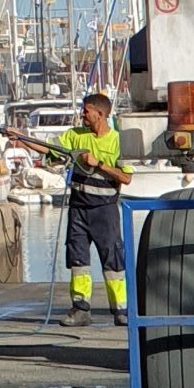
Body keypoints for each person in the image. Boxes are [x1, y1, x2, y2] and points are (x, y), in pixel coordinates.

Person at [53, 90, 133, 325]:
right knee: (78, 260)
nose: (82, 115)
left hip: (105, 211)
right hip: (78, 209)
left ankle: (121, 310)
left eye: (86, 111)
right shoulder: (76, 136)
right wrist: (22, 139)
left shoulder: (119, 141)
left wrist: (98, 165)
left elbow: (126, 178)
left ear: (100, 114)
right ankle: (80, 309)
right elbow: (51, 150)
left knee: (113, 261)